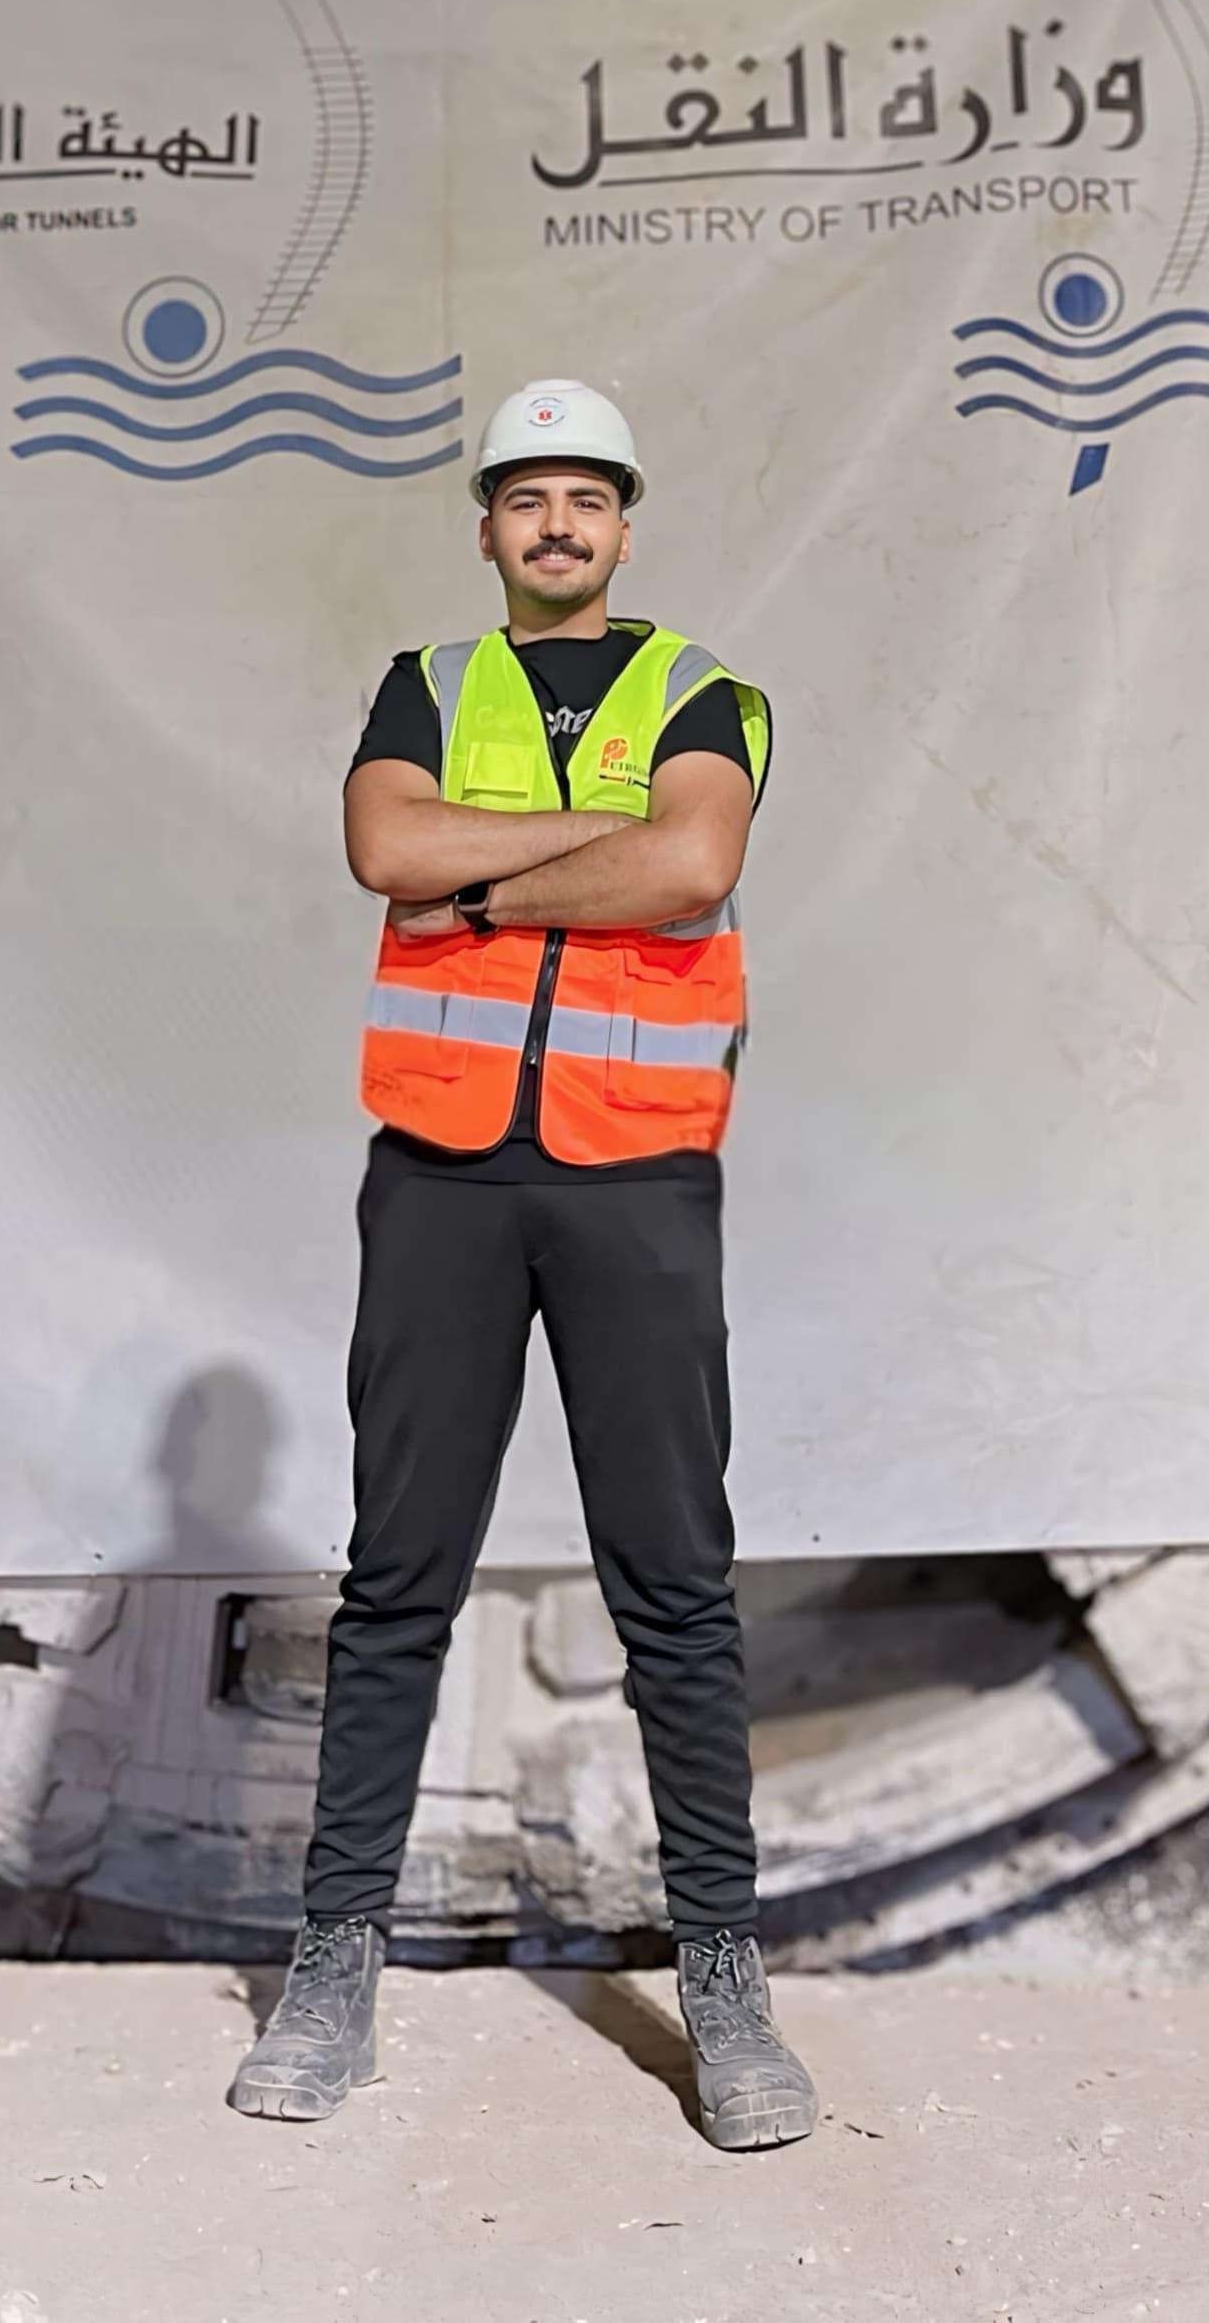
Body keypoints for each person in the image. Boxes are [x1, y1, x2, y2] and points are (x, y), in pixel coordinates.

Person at [227, 378, 816, 2153]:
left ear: (625, 523)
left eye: (587, 497)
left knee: (676, 1590)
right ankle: (335, 1966)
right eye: (527, 496)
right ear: (485, 523)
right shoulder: (426, 684)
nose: (557, 523)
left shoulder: (705, 690)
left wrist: (481, 893)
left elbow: (690, 864)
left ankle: (725, 1982)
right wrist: (588, 855)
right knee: (397, 1580)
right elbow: (382, 847)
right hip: (442, 1178)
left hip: (639, 1184)